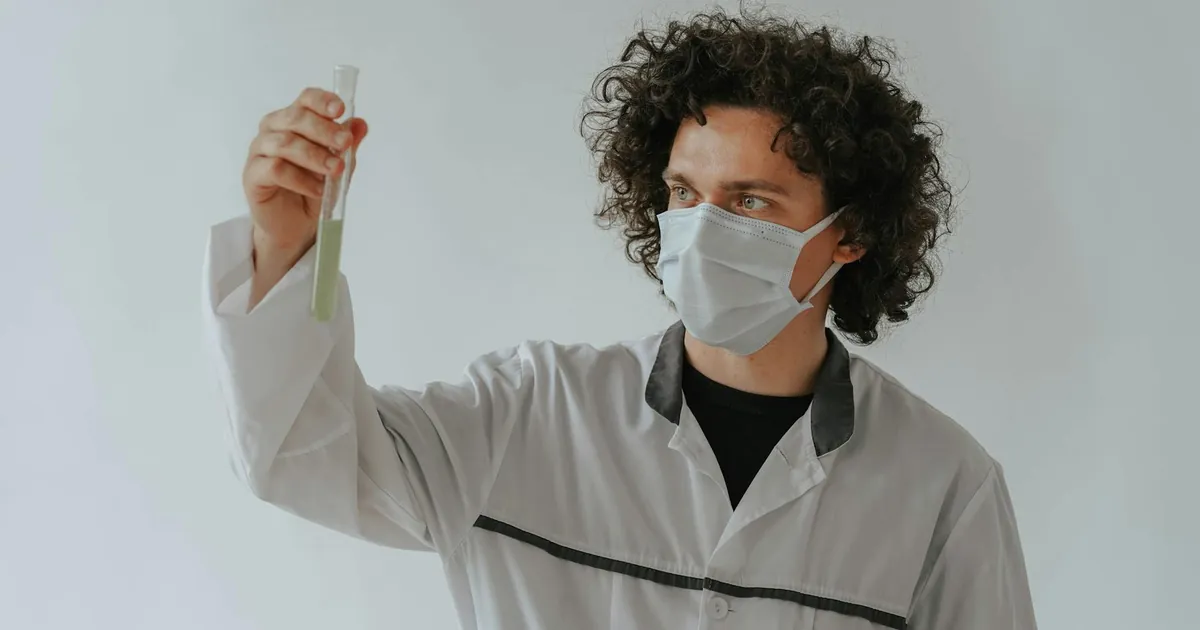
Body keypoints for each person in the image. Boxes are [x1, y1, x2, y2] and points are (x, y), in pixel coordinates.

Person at [203, 8, 1036, 630]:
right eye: (684, 194)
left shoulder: (943, 486)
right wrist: (284, 247)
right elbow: (298, 456)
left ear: (850, 233)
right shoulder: (527, 415)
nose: (704, 229)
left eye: (749, 201)